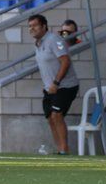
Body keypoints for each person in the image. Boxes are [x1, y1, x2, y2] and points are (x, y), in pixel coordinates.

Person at [28, 14, 79, 155]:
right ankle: (59, 149)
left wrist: (56, 82)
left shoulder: (54, 39)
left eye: (35, 25)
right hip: (50, 89)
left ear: (44, 26)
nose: (32, 28)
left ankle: (64, 150)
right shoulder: (38, 43)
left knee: (57, 115)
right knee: (50, 118)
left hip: (65, 86)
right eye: (30, 26)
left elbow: (65, 61)